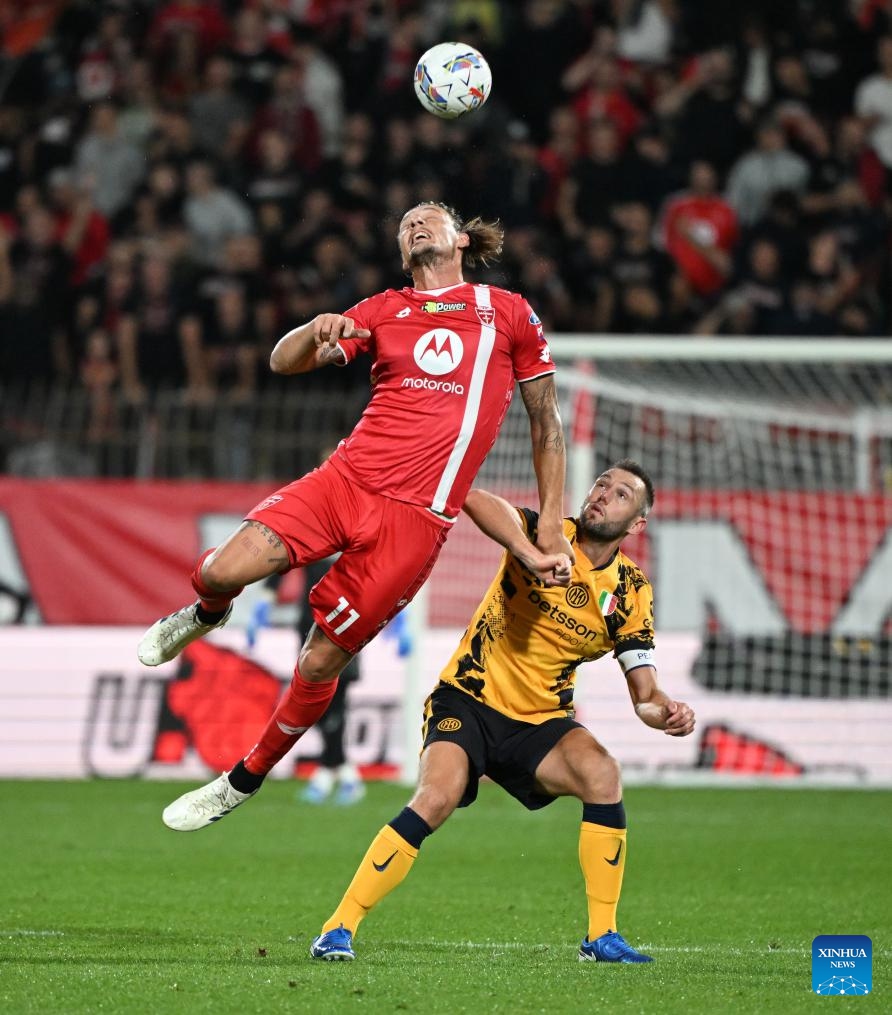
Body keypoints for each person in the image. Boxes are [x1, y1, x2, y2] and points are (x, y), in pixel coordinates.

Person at [138, 201, 572, 831]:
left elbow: (546, 422)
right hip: (344, 481)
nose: (415, 225)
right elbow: (282, 364)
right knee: (220, 571)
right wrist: (313, 329)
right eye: (405, 225)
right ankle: (207, 613)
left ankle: (241, 781)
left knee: (318, 663)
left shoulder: (507, 313)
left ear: (460, 238)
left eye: (429, 218)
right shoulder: (381, 310)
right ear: (402, 253)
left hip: (415, 522)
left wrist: (550, 527)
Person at [309, 461, 696, 965]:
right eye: (602, 483)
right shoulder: (547, 533)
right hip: (467, 698)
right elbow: (473, 499)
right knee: (436, 797)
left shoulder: (629, 592)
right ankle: (338, 927)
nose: (603, 494)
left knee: (603, 774)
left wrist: (665, 712)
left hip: (539, 722)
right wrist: (530, 554)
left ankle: (601, 937)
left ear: (636, 523)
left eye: (621, 494)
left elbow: (643, 694)